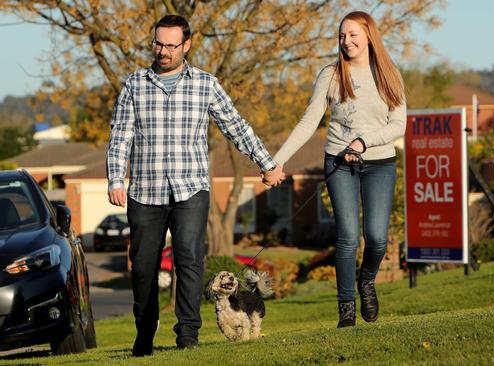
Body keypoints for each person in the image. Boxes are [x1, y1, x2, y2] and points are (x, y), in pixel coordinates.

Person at [106, 15, 284, 356]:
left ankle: (188, 334)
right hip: (145, 190)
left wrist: (267, 163)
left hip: (191, 188)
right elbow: (120, 137)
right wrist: (116, 178)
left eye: (171, 45)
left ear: (186, 45)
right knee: (143, 266)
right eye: (159, 44)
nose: (163, 51)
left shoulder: (205, 84)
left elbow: (236, 125)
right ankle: (144, 333)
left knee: (189, 259)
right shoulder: (134, 84)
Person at [274, 11, 406, 328]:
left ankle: (367, 281)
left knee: (376, 239)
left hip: (379, 163)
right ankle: (346, 309)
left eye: (353, 35)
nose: (346, 41)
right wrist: (278, 159)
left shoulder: (390, 74)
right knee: (347, 237)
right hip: (338, 162)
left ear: (369, 36)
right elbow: (309, 122)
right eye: (342, 36)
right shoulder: (332, 75)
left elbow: (398, 125)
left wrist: (363, 141)